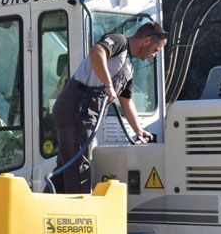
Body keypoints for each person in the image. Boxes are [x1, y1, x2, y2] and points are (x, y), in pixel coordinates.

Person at [51, 21, 167, 193]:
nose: (154, 55)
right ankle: (82, 214)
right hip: (77, 104)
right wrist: (108, 85)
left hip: (86, 111)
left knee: (67, 165)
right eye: (156, 49)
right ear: (146, 40)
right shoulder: (119, 41)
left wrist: (138, 131)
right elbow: (96, 52)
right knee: (78, 164)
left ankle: (47, 211)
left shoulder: (128, 67)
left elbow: (126, 100)